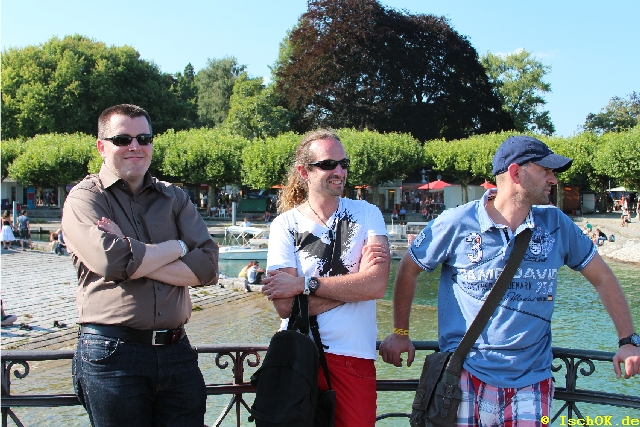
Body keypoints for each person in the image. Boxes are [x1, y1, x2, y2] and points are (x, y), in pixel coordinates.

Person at [380, 135, 640, 425]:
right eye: (545, 170)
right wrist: (400, 332)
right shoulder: (457, 222)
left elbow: (603, 278)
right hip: (463, 377)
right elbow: (409, 267)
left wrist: (628, 340)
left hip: (532, 382)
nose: (553, 179)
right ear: (516, 173)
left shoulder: (556, 224)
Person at [61, 104, 219, 427]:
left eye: (144, 139)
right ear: (101, 146)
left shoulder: (174, 197)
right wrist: (178, 247)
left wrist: (129, 249)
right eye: (123, 139)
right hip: (112, 353)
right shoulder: (85, 199)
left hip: (177, 352)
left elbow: (208, 267)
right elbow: (111, 261)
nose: (135, 146)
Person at [261, 129, 390, 427]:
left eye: (344, 164)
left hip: (354, 356)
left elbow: (376, 285)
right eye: (329, 164)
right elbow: (284, 307)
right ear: (304, 172)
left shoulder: (367, 213)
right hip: (297, 357)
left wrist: (303, 285)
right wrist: (355, 284)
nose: (340, 172)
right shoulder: (284, 225)